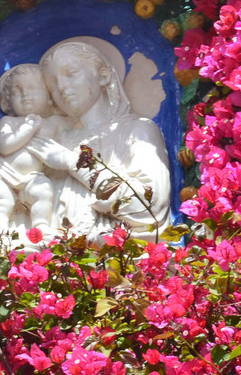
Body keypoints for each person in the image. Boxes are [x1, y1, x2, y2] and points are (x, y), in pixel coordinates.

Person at [27, 37, 172, 239]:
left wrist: (73, 163)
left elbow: (150, 209)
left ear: (103, 76)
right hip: (55, 260)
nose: (61, 87)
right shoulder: (53, 142)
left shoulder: (137, 131)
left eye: (71, 74)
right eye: (52, 84)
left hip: (121, 263)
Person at [0, 64, 66, 238]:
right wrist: (28, 129)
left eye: (33, 88)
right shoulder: (9, 122)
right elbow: (5, 146)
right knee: (2, 202)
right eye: (17, 91)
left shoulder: (54, 124)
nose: (25, 96)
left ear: (49, 96)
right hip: (1, 173)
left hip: (31, 178)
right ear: (7, 100)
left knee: (44, 191)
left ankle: (41, 225)